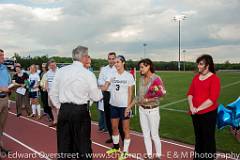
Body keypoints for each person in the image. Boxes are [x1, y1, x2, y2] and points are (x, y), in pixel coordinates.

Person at [49, 46, 103, 160]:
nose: (89, 57)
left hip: (64, 110)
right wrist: (101, 90)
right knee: (83, 145)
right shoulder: (88, 74)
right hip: (80, 112)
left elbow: (53, 93)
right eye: (88, 55)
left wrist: (60, 107)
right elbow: (96, 96)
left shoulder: (61, 71)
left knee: (64, 145)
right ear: (83, 57)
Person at [129, 58, 166, 159]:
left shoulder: (156, 78)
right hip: (142, 110)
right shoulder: (141, 79)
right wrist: (129, 107)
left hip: (152, 110)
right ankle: (149, 156)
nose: (140, 69)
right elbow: (138, 96)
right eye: (139, 67)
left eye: (142, 67)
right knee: (145, 135)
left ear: (148, 66)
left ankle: (158, 156)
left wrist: (147, 101)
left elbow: (162, 94)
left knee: (154, 135)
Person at [101, 55, 135, 160]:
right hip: (113, 105)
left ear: (123, 63)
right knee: (114, 128)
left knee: (125, 129)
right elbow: (105, 87)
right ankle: (116, 148)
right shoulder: (112, 74)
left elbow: (130, 93)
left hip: (124, 106)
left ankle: (125, 151)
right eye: (115, 62)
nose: (116, 64)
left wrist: (128, 107)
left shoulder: (128, 76)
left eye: (118, 62)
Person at [187, 54, 220, 160]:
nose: (198, 66)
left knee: (208, 138)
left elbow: (212, 99)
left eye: (201, 64)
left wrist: (198, 108)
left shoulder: (214, 79)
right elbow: (190, 94)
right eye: (198, 64)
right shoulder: (196, 77)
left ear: (208, 65)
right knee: (198, 137)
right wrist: (192, 106)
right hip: (195, 113)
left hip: (208, 114)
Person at [98, 52, 124, 143]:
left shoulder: (118, 68)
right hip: (106, 95)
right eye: (110, 59)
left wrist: (106, 84)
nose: (112, 60)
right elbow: (99, 81)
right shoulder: (104, 69)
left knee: (118, 118)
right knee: (108, 117)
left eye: (113, 58)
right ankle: (112, 137)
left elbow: (117, 83)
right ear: (107, 59)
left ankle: (123, 138)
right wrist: (107, 84)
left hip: (116, 95)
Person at [0, 49, 11, 154]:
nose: (3, 57)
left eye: (3, 55)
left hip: (5, 98)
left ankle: (1, 146)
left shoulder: (4, 68)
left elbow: (8, 82)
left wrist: (12, 86)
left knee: (2, 124)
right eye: (0, 55)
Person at [46, 60, 58, 127]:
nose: (52, 66)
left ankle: (60, 122)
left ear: (56, 65)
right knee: (52, 107)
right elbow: (47, 82)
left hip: (57, 93)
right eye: (51, 65)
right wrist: (48, 90)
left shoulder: (60, 72)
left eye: (53, 65)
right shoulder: (48, 72)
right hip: (50, 93)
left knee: (58, 107)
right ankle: (55, 121)